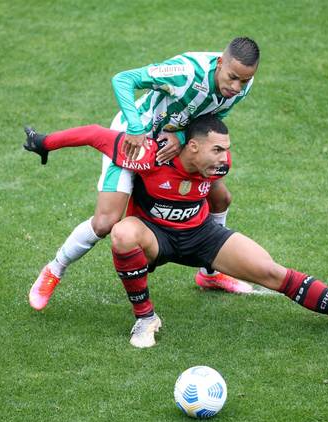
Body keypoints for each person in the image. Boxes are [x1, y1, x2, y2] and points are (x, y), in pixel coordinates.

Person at [27, 114, 328, 347]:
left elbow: (220, 197)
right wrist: (44, 142)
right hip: (155, 235)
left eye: (227, 150)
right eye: (217, 150)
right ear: (193, 145)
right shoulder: (148, 154)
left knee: (272, 272)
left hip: (202, 235)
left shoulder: (218, 167)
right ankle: (145, 319)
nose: (225, 158)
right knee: (120, 232)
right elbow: (94, 134)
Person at [25, 37, 261, 311]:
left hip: (174, 145)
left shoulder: (243, 84)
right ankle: (54, 269)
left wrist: (182, 136)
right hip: (133, 139)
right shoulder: (185, 71)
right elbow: (123, 79)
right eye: (232, 78)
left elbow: (210, 118)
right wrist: (136, 128)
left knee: (220, 198)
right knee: (105, 222)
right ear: (220, 62)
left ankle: (211, 272)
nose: (236, 87)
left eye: (243, 81)